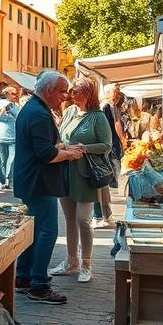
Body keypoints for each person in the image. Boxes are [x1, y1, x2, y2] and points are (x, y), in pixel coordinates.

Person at [12, 71, 84, 304]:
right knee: (47, 231)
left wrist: (65, 147)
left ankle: (24, 277)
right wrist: (69, 155)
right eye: (62, 91)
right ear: (49, 90)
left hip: (31, 179)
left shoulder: (33, 109)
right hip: (38, 181)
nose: (65, 96)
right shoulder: (39, 113)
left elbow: (42, 145)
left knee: (33, 231)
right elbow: (46, 154)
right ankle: (39, 284)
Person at [49, 76, 112, 283]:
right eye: (70, 92)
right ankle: (71, 262)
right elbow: (60, 138)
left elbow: (106, 145)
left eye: (75, 91)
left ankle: (86, 263)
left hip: (85, 174)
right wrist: (62, 147)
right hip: (65, 170)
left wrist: (85, 148)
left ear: (87, 93)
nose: (70, 95)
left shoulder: (98, 117)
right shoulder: (68, 112)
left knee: (83, 220)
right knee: (69, 220)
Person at [93, 83, 125, 228]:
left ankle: (105, 214)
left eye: (118, 93)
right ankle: (100, 215)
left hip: (108, 146)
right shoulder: (105, 107)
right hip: (107, 148)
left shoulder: (111, 106)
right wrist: (122, 139)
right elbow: (116, 125)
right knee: (105, 180)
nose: (117, 95)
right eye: (115, 93)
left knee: (104, 184)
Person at [0, 85, 20, 190]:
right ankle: (5, 180)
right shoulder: (8, 105)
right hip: (3, 136)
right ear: (7, 94)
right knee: (6, 160)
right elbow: (18, 116)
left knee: (9, 160)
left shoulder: (13, 105)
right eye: (13, 93)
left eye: (17, 93)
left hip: (11, 137)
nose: (16, 95)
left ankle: (7, 180)